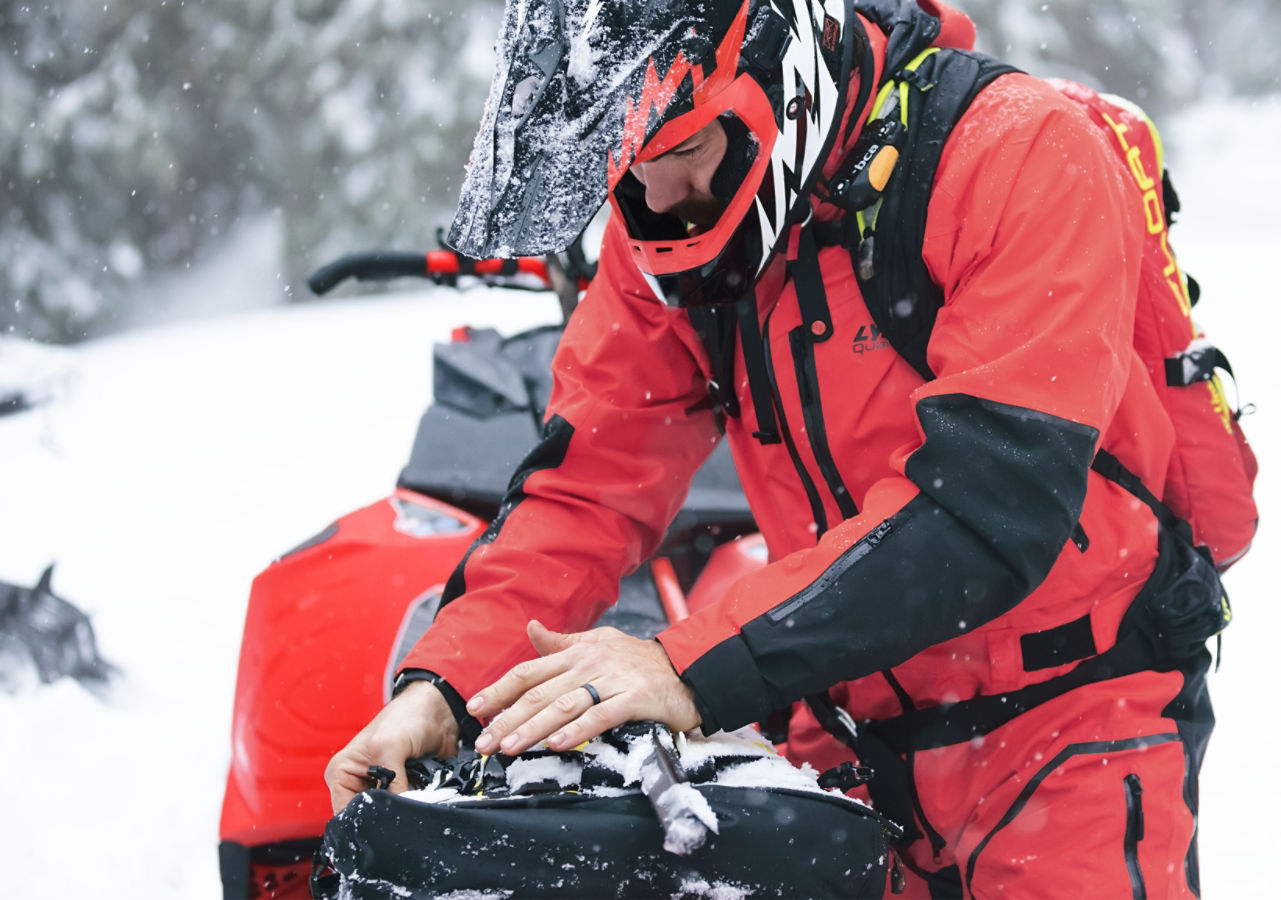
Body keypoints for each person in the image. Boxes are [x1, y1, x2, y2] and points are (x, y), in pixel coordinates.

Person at [326, 0, 1221, 896]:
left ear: (781, 84)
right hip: (844, 729)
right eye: (629, 168)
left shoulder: (1016, 152)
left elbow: (989, 506)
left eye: (683, 153)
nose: (659, 198)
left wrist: (687, 665)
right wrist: (441, 689)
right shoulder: (663, 244)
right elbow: (584, 488)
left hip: (1070, 720)